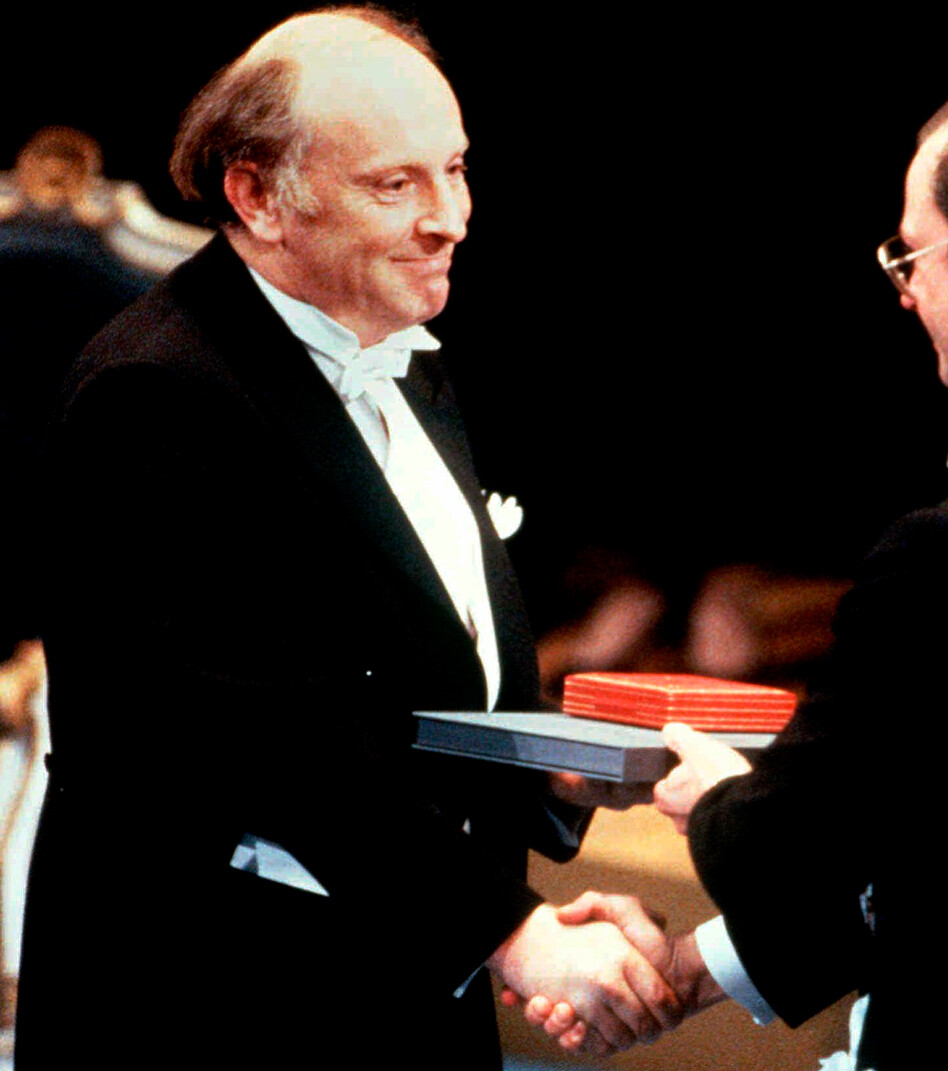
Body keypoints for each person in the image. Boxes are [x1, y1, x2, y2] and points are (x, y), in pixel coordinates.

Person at [14, 9, 680, 1069]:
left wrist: (542, 768)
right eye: (394, 184)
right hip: (215, 1000)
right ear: (256, 194)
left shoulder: (406, 350)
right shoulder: (153, 394)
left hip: (402, 976)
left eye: (455, 170)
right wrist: (511, 934)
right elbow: (267, 736)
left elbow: (400, 668)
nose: (450, 216)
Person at [524, 70, 948, 1069]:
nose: (904, 287)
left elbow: (796, 852)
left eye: (911, 253)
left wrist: (715, 793)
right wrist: (694, 972)